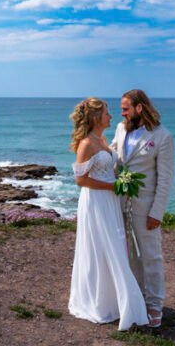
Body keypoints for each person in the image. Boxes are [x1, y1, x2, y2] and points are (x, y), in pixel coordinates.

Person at [68, 97, 149, 330]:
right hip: (96, 202)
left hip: (110, 201)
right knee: (102, 247)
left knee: (113, 247)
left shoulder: (102, 139)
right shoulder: (86, 144)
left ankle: (115, 299)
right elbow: (80, 179)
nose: (111, 116)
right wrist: (112, 186)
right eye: (106, 112)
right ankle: (102, 302)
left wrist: (122, 180)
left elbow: (110, 167)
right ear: (95, 117)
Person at [111, 89, 174, 328]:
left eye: (126, 108)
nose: (122, 112)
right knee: (127, 253)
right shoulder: (120, 128)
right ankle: (136, 298)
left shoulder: (162, 136)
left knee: (151, 255)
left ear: (140, 108)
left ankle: (155, 305)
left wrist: (156, 212)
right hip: (119, 202)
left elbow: (165, 178)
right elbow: (113, 155)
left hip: (145, 205)